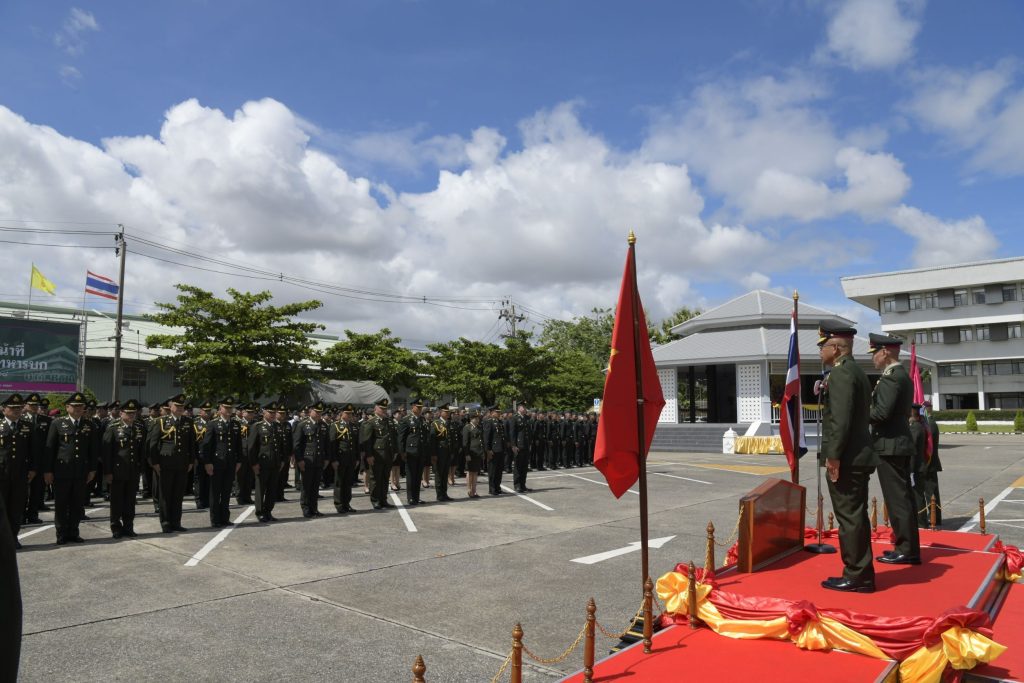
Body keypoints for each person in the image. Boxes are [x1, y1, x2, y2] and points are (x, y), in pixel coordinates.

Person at [817, 324, 876, 593]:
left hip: (848, 458)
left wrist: (834, 457)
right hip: (858, 455)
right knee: (856, 516)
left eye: (824, 346)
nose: (820, 351)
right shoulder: (856, 371)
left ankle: (856, 575)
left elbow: (840, 421)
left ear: (837, 348)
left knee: (849, 518)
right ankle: (861, 572)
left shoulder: (841, 373)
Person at [868, 333, 922, 565]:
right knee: (902, 498)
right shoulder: (900, 375)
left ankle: (907, 550)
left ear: (885, 352)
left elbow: (881, 413)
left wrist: (858, 411)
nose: (873, 357)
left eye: (875, 353)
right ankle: (906, 546)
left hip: (890, 446)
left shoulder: (892, 378)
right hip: (897, 444)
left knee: (897, 499)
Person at [44, 392, 97, 545]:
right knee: (61, 504)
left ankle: (74, 532)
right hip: (62, 471)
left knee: (77, 503)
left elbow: (93, 449)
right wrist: (48, 471)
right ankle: (61, 534)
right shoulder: (57, 423)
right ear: (67, 407)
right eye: (75, 406)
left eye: (81, 406)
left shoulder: (89, 425)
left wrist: (92, 469)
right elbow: (50, 449)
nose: (78, 408)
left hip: (81, 471)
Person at [147, 394, 195, 533]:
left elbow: (192, 444)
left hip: (182, 463)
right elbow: (153, 444)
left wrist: (191, 461)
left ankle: (176, 522)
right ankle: (166, 522)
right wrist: (155, 463)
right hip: (166, 463)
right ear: (170, 406)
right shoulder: (161, 421)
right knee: (165, 495)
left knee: (178, 494)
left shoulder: (188, 421)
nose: (180, 408)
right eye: (177, 406)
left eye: (182, 406)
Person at [101, 399, 146, 538]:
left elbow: (142, 450)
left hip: (133, 471)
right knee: (117, 501)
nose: (131, 415)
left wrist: (141, 468)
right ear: (121, 413)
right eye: (128, 413)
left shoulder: (139, 428)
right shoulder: (113, 428)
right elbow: (107, 452)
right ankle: (116, 528)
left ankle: (128, 527)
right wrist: (108, 472)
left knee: (130, 501)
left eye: (133, 413)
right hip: (117, 471)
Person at [201, 398, 243, 527]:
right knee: (215, 492)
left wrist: (239, 460)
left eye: (231, 407)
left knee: (226, 492)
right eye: (226, 407)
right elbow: (206, 445)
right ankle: (215, 519)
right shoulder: (213, 424)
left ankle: (225, 517)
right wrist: (207, 462)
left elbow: (238, 444)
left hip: (230, 463)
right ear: (220, 408)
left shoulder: (235, 424)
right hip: (217, 463)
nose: (229, 410)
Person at [0, 394, 34, 547]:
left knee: (16, 507)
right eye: (12, 408)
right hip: (2, 474)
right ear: (3, 409)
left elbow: (34, 450)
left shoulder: (28, 426)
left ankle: (13, 537)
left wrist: (33, 469)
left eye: (19, 408)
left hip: (20, 474)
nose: (16, 410)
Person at [293, 400, 329, 518]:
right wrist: (299, 460)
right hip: (307, 460)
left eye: (320, 412)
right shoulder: (302, 425)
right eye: (316, 411)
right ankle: (306, 508)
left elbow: (327, 444)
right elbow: (297, 445)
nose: (318, 414)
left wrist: (327, 458)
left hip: (319, 460)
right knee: (306, 486)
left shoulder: (323, 425)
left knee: (315, 486)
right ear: (310, 411)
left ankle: (314, 508)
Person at [361, 398, 397, 510]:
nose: (384, 410)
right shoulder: (371, 422)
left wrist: (395, 451)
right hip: (377, 455)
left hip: (388, 454)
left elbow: (393, 438)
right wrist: (369, 455)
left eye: (385, 408)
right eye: (381, 408)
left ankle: (383, 499)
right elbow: (367, 441)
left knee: (385, 478)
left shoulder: (389, 421)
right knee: (375, 479)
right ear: (375, 409)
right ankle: (375, 500)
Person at [249, 402, 281, 523]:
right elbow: (252, 447)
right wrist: (254, 463)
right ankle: (260, 512)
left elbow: (280, 446)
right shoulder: (257, 426)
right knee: (260, 489)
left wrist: (281, 461)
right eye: (270, 412)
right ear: (264, 413)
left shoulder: (276, 426)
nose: (272, 414)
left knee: (272, 489)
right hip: (262, 463)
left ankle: (268, 511)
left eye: (274, 412)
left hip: (274, 463)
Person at [398, 398, 430, 505]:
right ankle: (411, 497)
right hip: (411, 451)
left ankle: (417, 497)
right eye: (418, 407)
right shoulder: (406, 420)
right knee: (411, 476)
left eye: (421, 407)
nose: (420, 409)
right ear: (413, 407)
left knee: (418, 476)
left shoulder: (422, 419)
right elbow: (401, 437)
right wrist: (402, 452)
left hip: (421, 451)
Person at [329, 403, 358, 513]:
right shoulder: (335, 425)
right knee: (339, 483)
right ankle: (339, 504)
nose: (349, 415)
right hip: (340, 459)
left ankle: (347, 503)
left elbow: (355, 444)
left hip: (350, 458)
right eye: (347, 413)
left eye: (351, 413)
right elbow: (332, 445)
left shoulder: (352, 426)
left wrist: (356, 458)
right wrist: (334, 460)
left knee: (348, 482)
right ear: (341, 413)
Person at [921, 401, 943, 525]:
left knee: (931, 493)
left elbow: (927, 445)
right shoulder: (929, 423)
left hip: (929, 463)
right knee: (931, 492)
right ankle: (935, 516)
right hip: (930, 463)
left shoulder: (930, 424)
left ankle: (934, 517)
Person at [430, 406, 456, 502]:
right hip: (439, 452)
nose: (447, 413)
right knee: (439, 473)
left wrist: (452, 451)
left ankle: (444, 493)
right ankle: (439, 494)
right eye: (445, 412)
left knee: (445, 473)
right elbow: (433, 440)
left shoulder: (449, 423)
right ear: (440, 412)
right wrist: (433, 454)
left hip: (447, 451)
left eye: (448, 412)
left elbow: (451, 439)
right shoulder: (436, 423)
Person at [509, 403, 533, 493]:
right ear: (519, 408)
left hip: (526, 444)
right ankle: (517, 485)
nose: (525, 409)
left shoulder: (526, 418)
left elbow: (529, 432)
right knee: (518, 466)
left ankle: (523, 485)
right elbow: (512, 433)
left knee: (524, 466)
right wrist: (513, 445)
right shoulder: (514, 418)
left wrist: (530, 443)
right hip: (519, 445)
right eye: (523, 407)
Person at [483, 405, 507, 495]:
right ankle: (492, 489)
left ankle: (497, 487)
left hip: (500, 449)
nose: (499, 413)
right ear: (492, 412)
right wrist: (488, 450)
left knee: (499, 470)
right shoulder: (489, 422)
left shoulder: (500, 422)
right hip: (493, 450)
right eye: (497, 412)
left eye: (499, 412)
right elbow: (486, 437)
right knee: (492, 470)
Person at [192, 401, 212, 510]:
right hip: (199, 455)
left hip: (210, 456)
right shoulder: (195, 424)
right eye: (205, 411)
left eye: (209, 411)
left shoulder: (212, 423)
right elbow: (192, 442)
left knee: (209, 478)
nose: (208, 413)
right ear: (201, 411)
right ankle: (199, 500)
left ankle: (207, 500)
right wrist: (194, 456)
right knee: (199, 479)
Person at [462, 410, 484, 498]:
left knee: (475, 472)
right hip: (471, 452)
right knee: (470, 472)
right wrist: (466, 454)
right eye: (475, 418)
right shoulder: (467, 428)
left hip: (478, 452)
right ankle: (469, 490)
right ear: (471, 419)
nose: (477, 419)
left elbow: (481, 441)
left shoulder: (479, 427)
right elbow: (465, 442)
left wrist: (482, 452)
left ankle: (474, 490)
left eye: (478, 418)